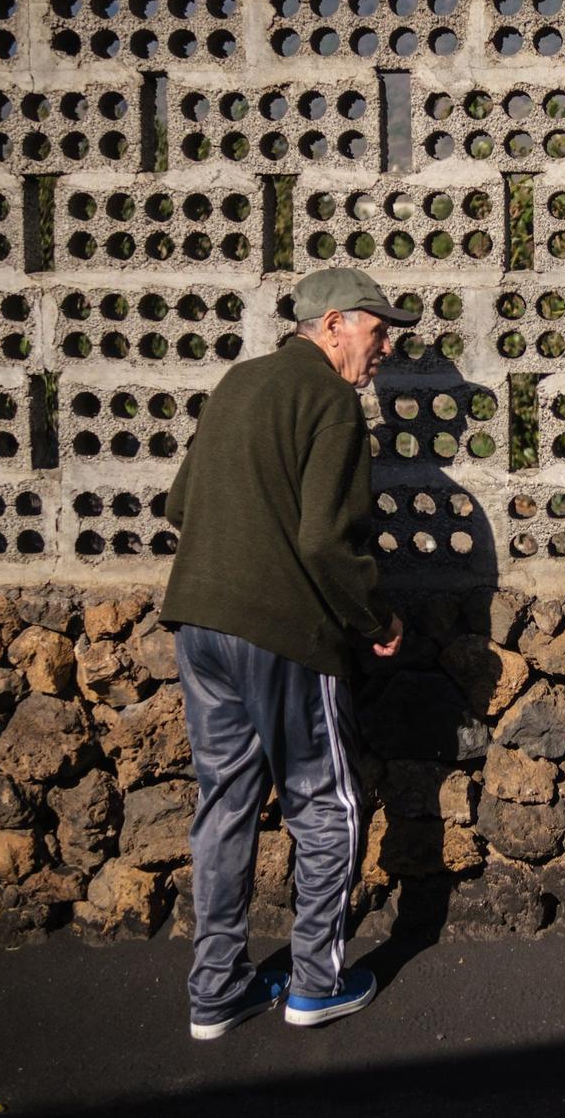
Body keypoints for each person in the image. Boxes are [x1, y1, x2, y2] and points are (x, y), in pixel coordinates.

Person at [159, 266, 418, 1041]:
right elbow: (323, 540)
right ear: (332, 323)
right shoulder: (331, 403)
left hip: (199, 623)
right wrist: (374, 614)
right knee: (324, 801)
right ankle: (316, 982)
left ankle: (216, 992)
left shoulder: (239, 383)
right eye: (377, 329)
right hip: (283, 635)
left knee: (225, 802)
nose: (386, 346)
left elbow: (179, 503)